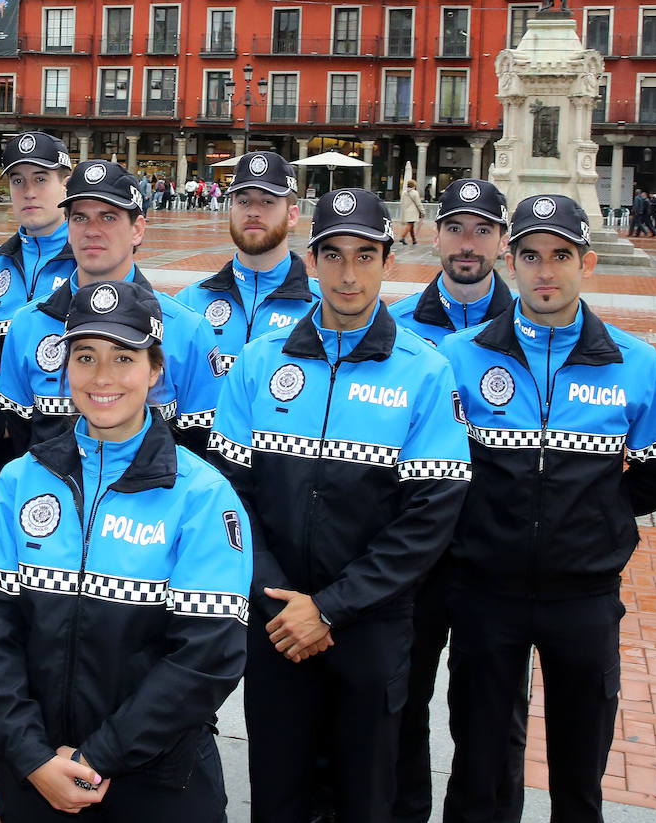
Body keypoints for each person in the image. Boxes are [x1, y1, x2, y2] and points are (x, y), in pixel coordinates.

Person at [207, 187, 471, 823]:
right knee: (278, 793)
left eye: (364, 255)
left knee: (365, 798)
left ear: (388, 260)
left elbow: (429, 516)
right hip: (273, 622)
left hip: (370, 625)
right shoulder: (259, 363)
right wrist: (274, 595)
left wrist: (330, 609)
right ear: (313, 259)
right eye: (333, 255)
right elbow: (226, 495)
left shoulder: (425, 372)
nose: (348, 274)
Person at [0, 279, 254, 820]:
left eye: (124, 358)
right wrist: (29, 753)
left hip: (158, 782)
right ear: (64, 367)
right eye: (85, 356)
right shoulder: (22, 480)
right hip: (37, 774)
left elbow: (207, 655)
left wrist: (100, 755)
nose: (102, 378)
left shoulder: (202, 495)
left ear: (155, 370)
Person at [440, 194, 656, 823]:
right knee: (479, 767)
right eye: (530, 256)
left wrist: (597, 516)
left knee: (580, 773)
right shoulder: (461, 356)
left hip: (584, 597)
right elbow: (436, 468)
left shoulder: (635, 361)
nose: (545, 271)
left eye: (561, 256)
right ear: (510, 263)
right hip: (484, 592)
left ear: (588, 262)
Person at [387, 177, 526, 823]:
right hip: (413, 556)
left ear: (501, 241)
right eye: (455, 228)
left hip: (495, 558)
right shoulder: (393, 328)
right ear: (435, 234)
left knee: (494, 716)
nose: (467, 244)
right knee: (401, 703)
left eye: (482, 230)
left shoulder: (532, 328)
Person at [0, 159, 223, 453]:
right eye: (80, 218)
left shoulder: (186, 329)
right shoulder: (28, 323)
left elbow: (201, 446)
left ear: (137, 230)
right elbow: (19, 437)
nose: (91, 230)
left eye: (108, 217)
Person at [175, 151, 319, 369]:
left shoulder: (322, 308)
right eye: (243, 201)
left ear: (292, 216)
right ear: (231, 211)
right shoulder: (188, 304)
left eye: (267, 201)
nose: (253, 212)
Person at [0, 131, 76, 353]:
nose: (28, 192)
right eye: (18, 180)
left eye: (40, 179)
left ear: (65, 187)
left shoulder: (88, 264)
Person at [399, 179, 424, 244]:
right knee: (409, 225)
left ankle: (414, 240)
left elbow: (402, 202)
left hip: (406, 211)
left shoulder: (404, 193)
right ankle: (403, 237)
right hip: (413, 211)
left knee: (411, 226)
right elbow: (418, 203)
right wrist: (422, 211)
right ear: (413, 185)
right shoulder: (415, 193)